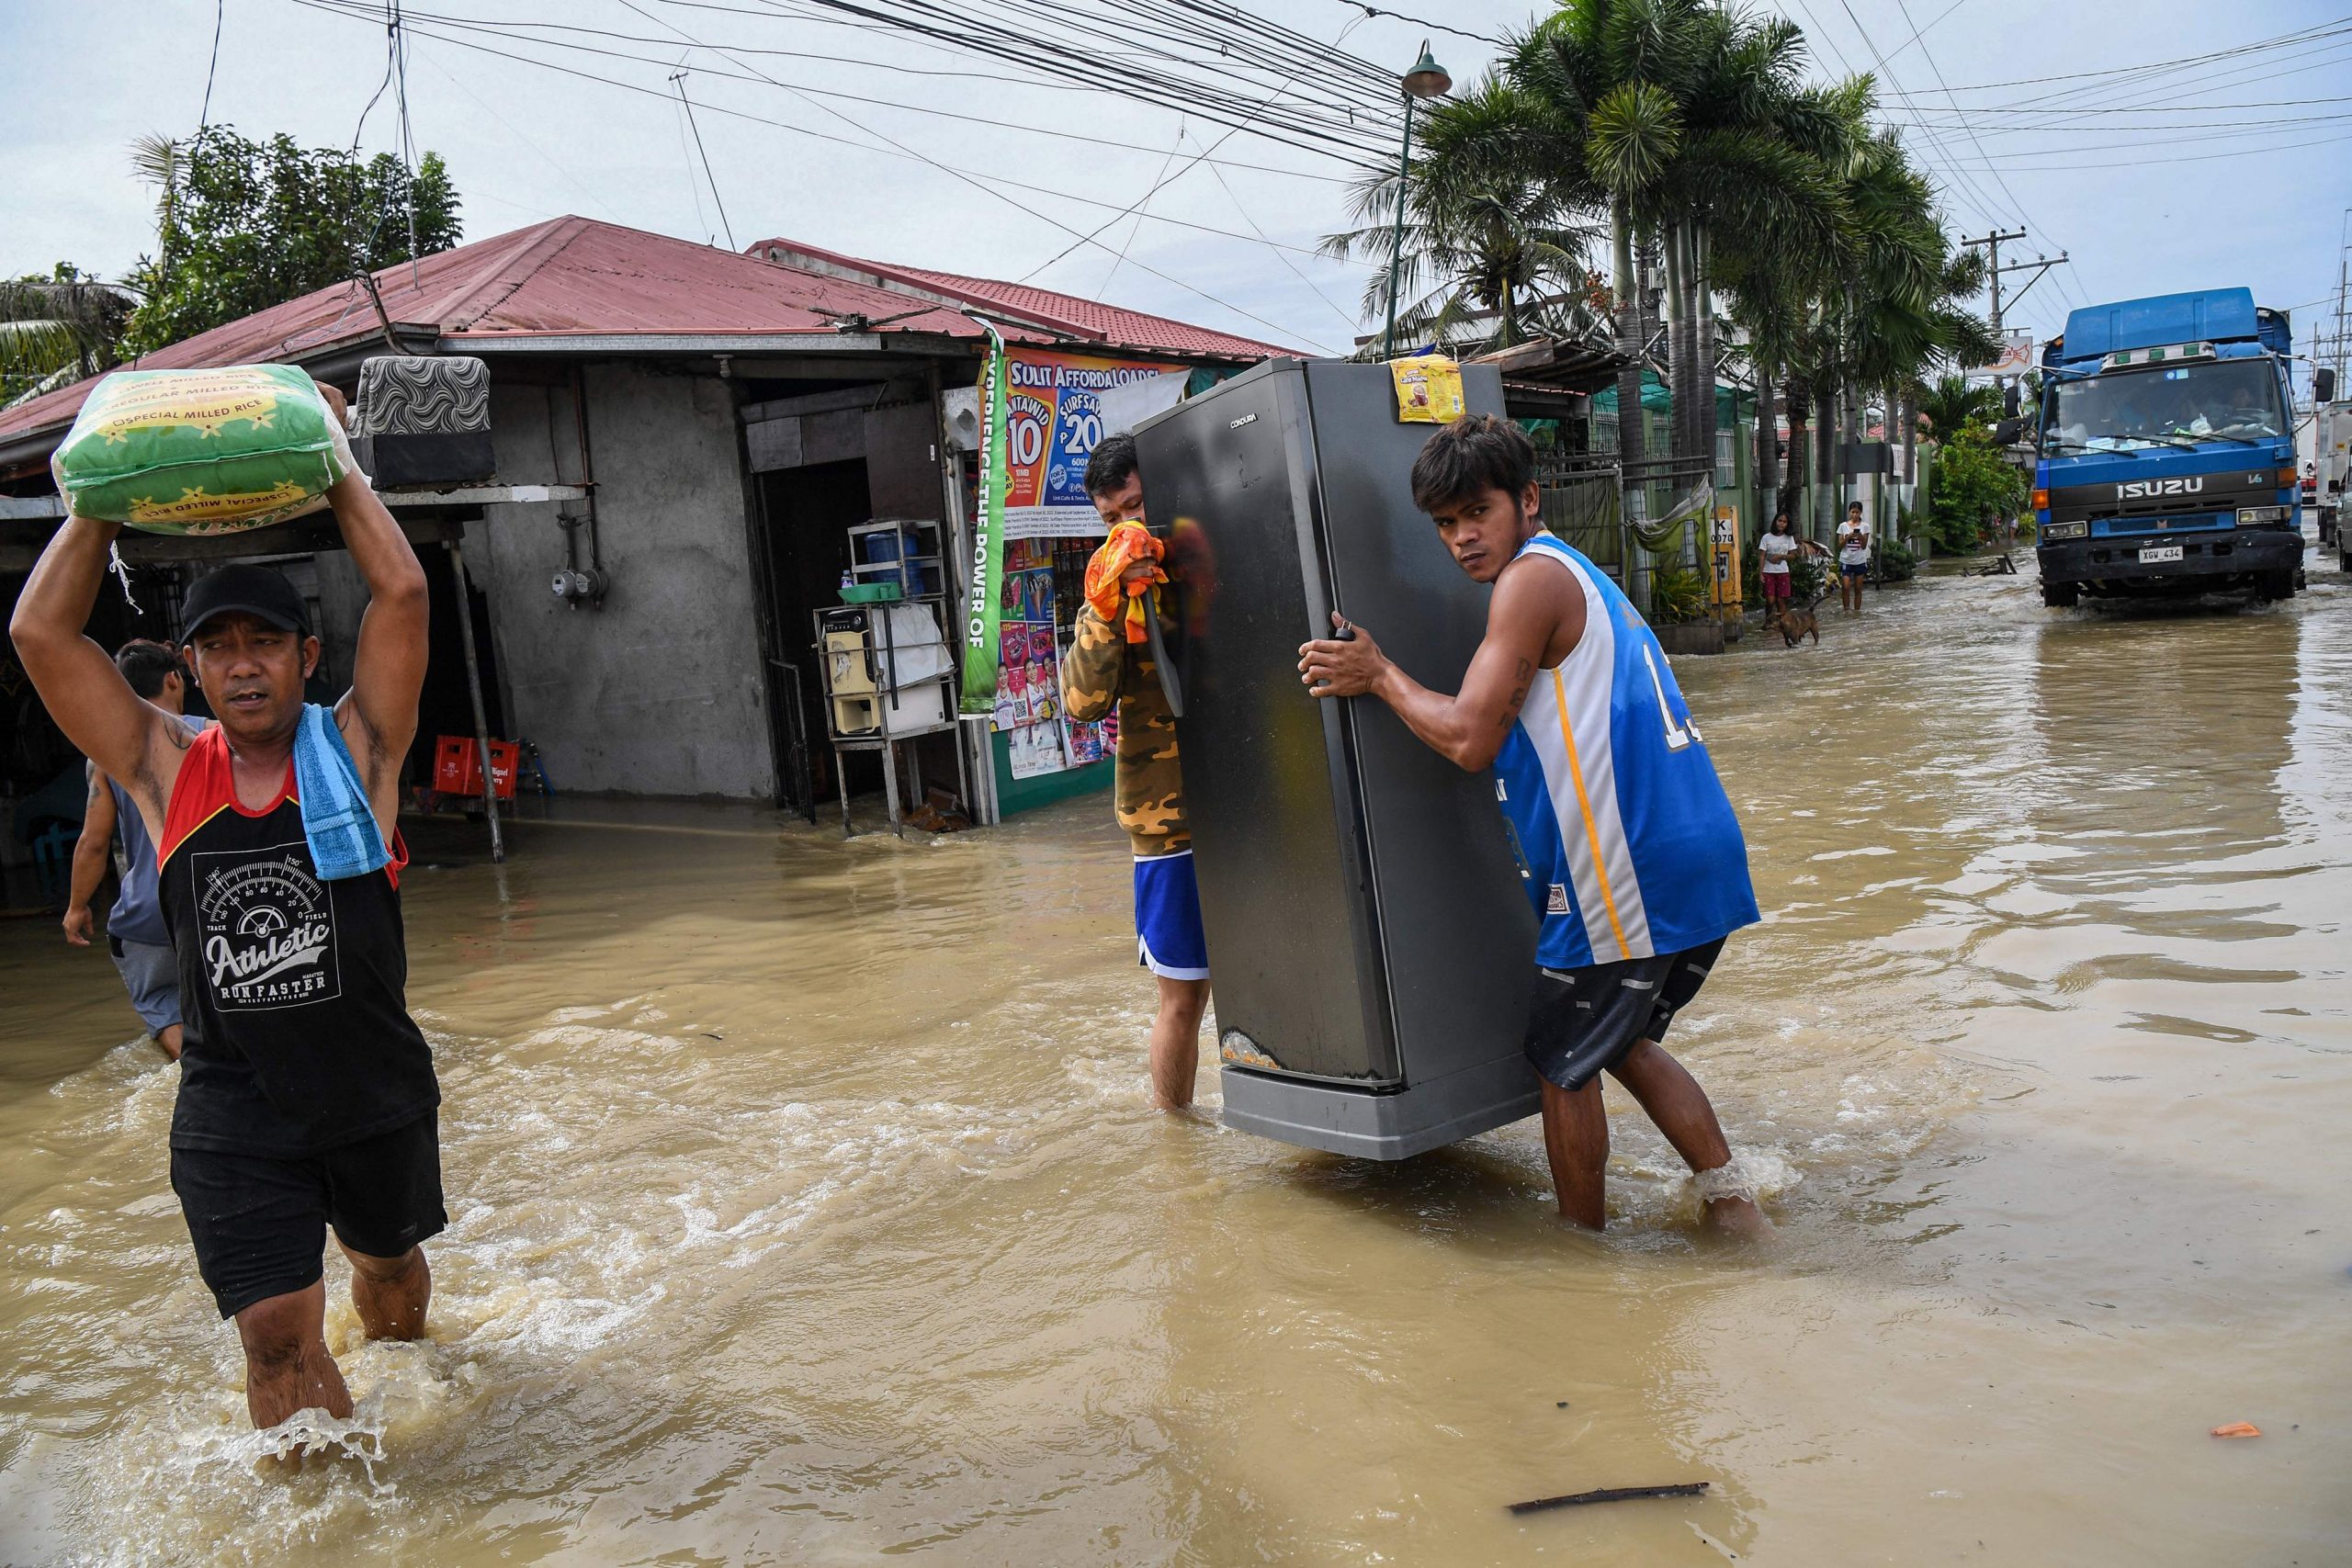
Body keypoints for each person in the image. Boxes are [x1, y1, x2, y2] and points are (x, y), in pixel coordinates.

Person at [9, 383, 439, 1441]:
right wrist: (102, 490)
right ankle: (331, 1538)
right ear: (192, 669)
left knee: (387, 1281)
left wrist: (333, 460)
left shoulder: (361, 752)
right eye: (220, 647)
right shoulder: (165, 767)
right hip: (233, 1106)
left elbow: (404, 595)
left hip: (371, 1088)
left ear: (307, 658)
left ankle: (416, 1380)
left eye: (267, 642)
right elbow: (39, 630)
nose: (244, 662)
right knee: (277, 1338)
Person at [1295, 415, 1768, 1235]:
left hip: (1627, 866)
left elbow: (1472, 739)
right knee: (1612, 1042)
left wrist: (1378, 673)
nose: (1462, 538)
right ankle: (1730, 1202)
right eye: (1444, 524)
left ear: (1529, 499)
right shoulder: (1576, 574)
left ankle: (1580, 1254)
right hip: (1692, 854)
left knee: (1561, 1061)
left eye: (1477, 512)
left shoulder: (1529, 582)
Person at [1061, 432, 1210, 1111]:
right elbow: (1082, 703)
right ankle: (1176, 1140)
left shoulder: (1210, 556)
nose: (1126, 528)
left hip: (1256, 801)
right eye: (1110, 519)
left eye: (1136, 507)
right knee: (1183, 997)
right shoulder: (1111, 593)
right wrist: (1106, 603)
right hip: (1165, 817)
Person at [62, 639, 207, 1060]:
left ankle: (191, 1074)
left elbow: (93, 842)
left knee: (165, 1007)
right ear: (174, 679)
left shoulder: (105, 755)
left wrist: (76, 906)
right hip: (210, 902)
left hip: (145, 913)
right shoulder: (214, 736)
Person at [1836, 502, 1871, 615]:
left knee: (1858, 588)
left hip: (1859, 561)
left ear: (1861, 513)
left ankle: (1857, 612)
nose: (1855, 515)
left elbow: (1864, 546)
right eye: (1853, 512)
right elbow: (1840, 545)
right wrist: (1848, 538)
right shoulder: (1843, 526)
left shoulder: (1865, 526)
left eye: (1857, 512)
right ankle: (1846, 610)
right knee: (1845, 586)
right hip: (1846, 560)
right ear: (1849, 512)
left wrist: (1860, 537)